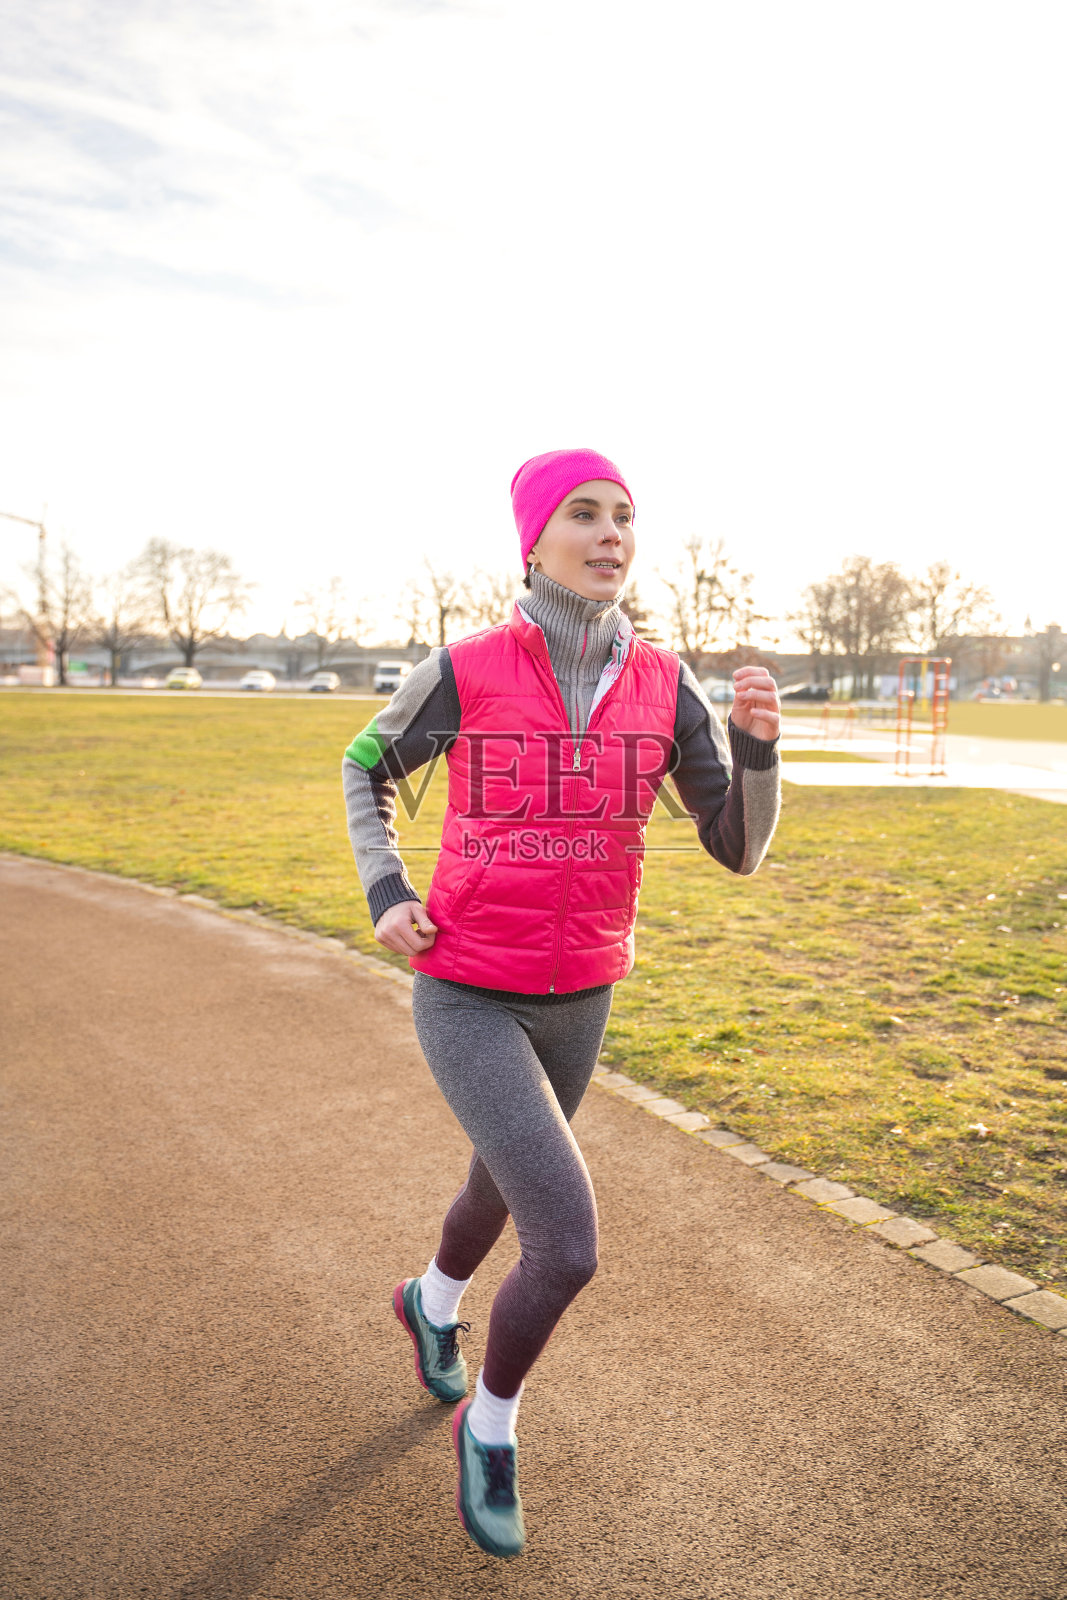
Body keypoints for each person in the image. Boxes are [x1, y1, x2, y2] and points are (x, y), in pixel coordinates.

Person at [342, 448, 781, 1559]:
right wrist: (387, 890)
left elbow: (734, 849)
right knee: (567, 1241)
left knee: (499, 1183)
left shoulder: (663, 683)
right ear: (533, 541)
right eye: (582, 515)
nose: (609, 534)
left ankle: (429, 1304)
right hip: (466, 987)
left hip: (582, 989)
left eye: (624, 517)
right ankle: (489, 1427)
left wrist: (758, 756)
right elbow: (364, 764)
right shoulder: (467, 666)